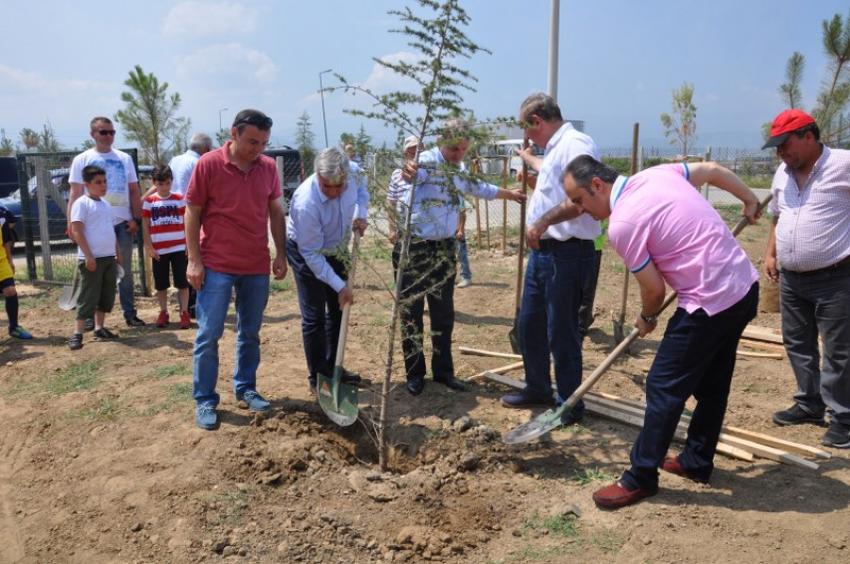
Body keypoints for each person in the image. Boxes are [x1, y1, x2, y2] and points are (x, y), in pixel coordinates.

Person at [560, 155, 760, 509]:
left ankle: (640, 477)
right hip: (742, 286)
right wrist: (748, 197)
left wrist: (646, 317)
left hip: (709, 299)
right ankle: (696, 461)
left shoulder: (623, 224)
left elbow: (653, 290)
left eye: (579, 200)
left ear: (597, 185)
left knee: (663, 385)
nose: (579, 209)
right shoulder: (655, 175)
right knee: (712, 382)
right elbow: (711, 170)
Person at [400, 118, 526, 395]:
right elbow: (412, 174)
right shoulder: (427, 161)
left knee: (443, 313)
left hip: (444, 247)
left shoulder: (460, 167)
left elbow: (480, 188)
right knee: (411, 313)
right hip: (416, 247)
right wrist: (409, 171)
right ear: (441, 141)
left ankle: (444, 372)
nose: (459, 155)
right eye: (455, 149)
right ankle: (415, 374)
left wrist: (510, 194)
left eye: (463, 150)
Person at [499, 93, 600, 423]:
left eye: (529, 132)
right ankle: (538, 386)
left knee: (562, 331)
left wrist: (542, 222)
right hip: (545, 255)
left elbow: (583, 196)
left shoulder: (575, 144)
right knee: (531, 324)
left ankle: (569, 403)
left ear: (537, 122)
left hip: (567, 253)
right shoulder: (556, 148)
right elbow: (553, 173)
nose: (529, 138)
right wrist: (530, 160)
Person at [186, 109, 287, 431]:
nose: (257, 149)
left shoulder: (268, 168)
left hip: (255, 264)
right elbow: (192, 211)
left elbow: (275, 212)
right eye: (252, 141)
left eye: (263, 143)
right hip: (216, 264)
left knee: (250, 333)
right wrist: (194, 259)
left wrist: (280, 253)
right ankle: (205, 399)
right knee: (209, 334)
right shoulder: (209, 164)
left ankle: (245, 387)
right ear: (234, 133)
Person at [762, 109, 850, 449]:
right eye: (776, 147)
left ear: (809, 137)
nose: (781, 152)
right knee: (797, 343)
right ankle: (809, 402)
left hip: (836, 276)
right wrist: (771, 253)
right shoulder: (782, 174)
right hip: (792, 279)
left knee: (840, 351)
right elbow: (775, 216)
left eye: (786, 144)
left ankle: (843, 417)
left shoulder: (842, 164)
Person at [287, 148, 368, 391]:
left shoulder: (354, 173)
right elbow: (312, 254)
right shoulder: (305, 203)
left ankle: (334, 368)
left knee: (338, 310)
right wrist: (340, 285)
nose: (333, 193)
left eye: (339, 186)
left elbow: (363, 191)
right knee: (314, 317)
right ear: (317, 176)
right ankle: (319, 379)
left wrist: (360, 214)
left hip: (338, 247)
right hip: (306, 251)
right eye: (326, 187)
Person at [68, 116, 145, 328]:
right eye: (104, 132)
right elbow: (74, 193)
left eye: (112, 132)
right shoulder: (81, 160)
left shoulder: (124, 159)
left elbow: (133, 190)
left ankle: (129, 314)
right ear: (93, 134)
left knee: (124, 271)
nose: (109, 136)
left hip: (121, 224)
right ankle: (91, 320)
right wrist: (71, 223)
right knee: (93, 273)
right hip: (92, 226)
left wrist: (135, 219)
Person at [67, 165, 122, 350]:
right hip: (92, 259)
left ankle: (99, 328)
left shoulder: (106, 204)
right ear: (87, 184)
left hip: (108, 258)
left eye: (105, 181)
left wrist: (117, 251)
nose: (103, 185)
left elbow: (110, 230)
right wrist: (88, 256)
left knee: (106, 295)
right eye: (98, 182)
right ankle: (77, 333)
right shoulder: (81, 203)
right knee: (88, 295)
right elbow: (77, 230)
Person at [166, 133, 213, 318]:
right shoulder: (199, 163)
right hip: (192, 215)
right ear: (206, 149)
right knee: (196, 257)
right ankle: (194, 304)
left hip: (173, 216)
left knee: (182, 259)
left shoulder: (174, 160)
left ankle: (186, 305)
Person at [142, 165, 190, 329]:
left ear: (171, 182)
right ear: (154, 183)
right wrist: (149, 246)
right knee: (161, 285)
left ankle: (184, 312)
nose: (164, 187)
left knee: (182, 283)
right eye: (160, 184)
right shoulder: (149, 202)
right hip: (159, 251)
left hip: (179, 248)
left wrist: (188, 245)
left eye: (168, 183)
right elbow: (146, 225)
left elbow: (187, 222)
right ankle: (163, 312)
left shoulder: (179, 198)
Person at [1, 205, 32, 340]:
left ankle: (14, 328)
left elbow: (6, 239)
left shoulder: (1, 213)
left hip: (1, 261)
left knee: (11, 291)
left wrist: (10, 259)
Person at [455, 197, 472, 288]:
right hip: (446, 231)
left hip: (457, 231)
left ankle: (466, 277)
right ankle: (450, 277)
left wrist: (461, 229)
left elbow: (462, 213)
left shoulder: (457, 196)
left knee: (461, 254)